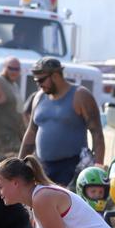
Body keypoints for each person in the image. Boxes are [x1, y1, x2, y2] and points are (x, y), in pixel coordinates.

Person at [20, 57, 105, 186]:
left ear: (55, 75)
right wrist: (19, 163)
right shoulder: (39, 97)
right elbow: (31, 132)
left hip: (71, 167)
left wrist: (98, 167)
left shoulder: (80, 95)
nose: (39, 84)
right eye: (36, 80)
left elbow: (97, 133)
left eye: (41, 80)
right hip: (43, 166)